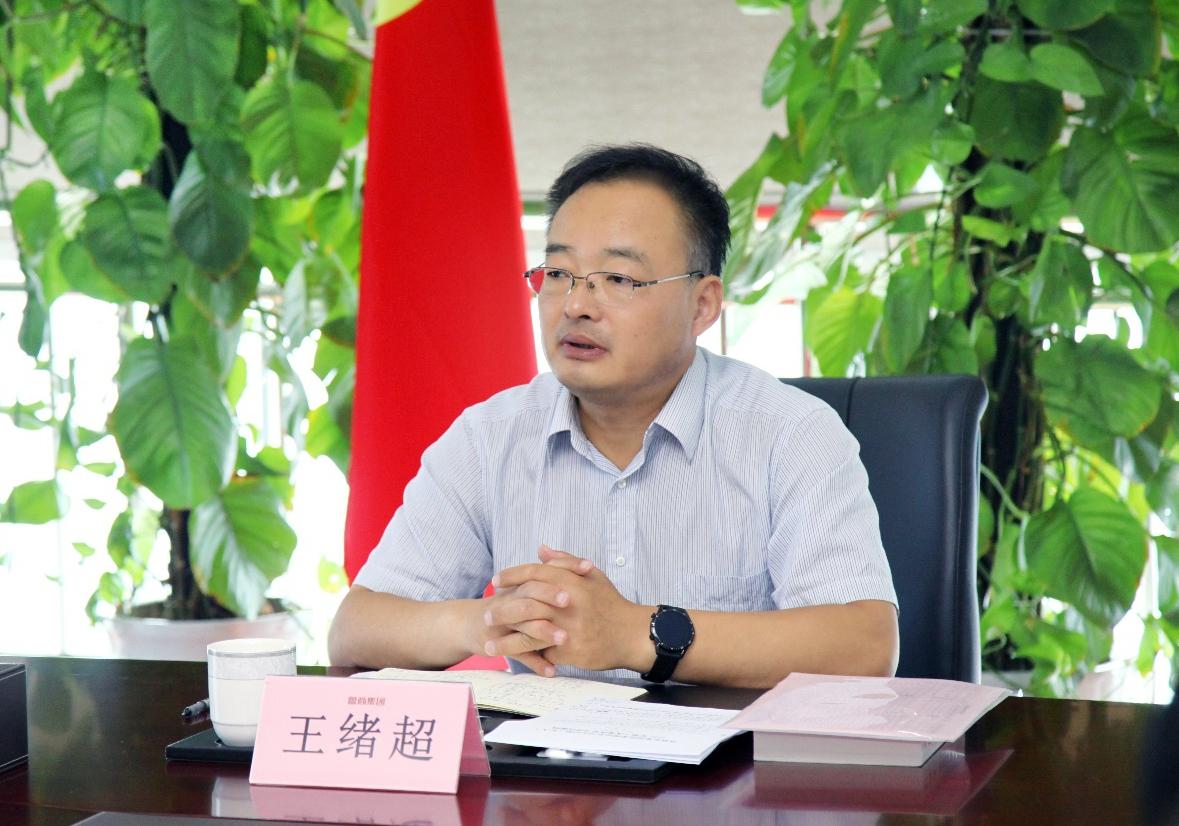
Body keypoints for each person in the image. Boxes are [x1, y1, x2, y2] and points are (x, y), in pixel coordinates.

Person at [329, 144, 898, 688]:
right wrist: (483, 621)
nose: (576, 305)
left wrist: (635, 633)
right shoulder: (490, 438)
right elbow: (356, 631)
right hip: (550, 757)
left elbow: (864, 646)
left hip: (734, 756)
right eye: (558, 274)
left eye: (619, 279)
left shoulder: (790, 434)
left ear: (702, 304)